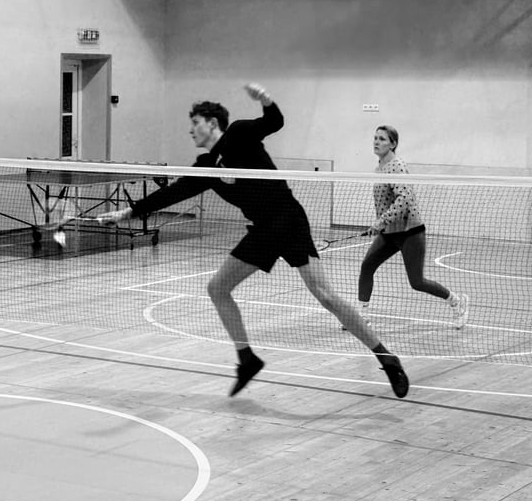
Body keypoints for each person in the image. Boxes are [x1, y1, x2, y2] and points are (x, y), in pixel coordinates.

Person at [96, 84, 409, 399]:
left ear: (212, 123)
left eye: (195, 123)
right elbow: (174, 192)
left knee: (326, 296)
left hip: (287, 219)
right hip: (263, 229)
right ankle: (247, 359)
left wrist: (265, 100)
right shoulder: (206, 166)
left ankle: (386, 358)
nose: (190, 130)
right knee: (218, 288)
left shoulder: (239, 133)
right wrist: (128, 212)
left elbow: (274, 122)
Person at [356, 125, 468, 329]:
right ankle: (361, 317)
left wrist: (381, 222)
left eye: (382, 139)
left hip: (410, 232)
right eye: (375, 138)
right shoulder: (380, 167)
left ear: (393, 144)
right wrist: (381, 224)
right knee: (367, 266)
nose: (376, 142)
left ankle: (456, 302)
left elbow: (404, 200)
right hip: (390, 232)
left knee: (417, 282)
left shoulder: (396, 166)